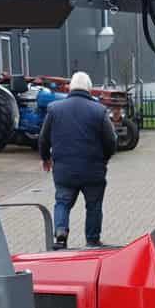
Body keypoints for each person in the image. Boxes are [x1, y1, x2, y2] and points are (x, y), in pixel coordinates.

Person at [38, 71, 118, 248]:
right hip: (93, 171)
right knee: (94, 206)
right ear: (89, 89)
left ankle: (60, 234)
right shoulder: (99, 111)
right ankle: (92, 240)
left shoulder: (54, 109)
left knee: (62, 203)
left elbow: (43, 138)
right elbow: (111, 141)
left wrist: (45, 158)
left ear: (70, 88)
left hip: (64, 171)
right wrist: (104, 159)